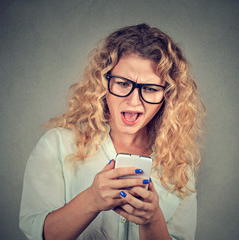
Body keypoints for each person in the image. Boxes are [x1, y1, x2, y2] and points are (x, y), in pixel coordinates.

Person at [19, 23, 205, 240]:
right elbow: (39, 235)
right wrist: (92, 199)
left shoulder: (178, 165)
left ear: (167, 96)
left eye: (151, 89)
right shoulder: (57, 145)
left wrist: (152, 219)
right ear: (103, 82)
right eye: (123, 83)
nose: (134, 100)